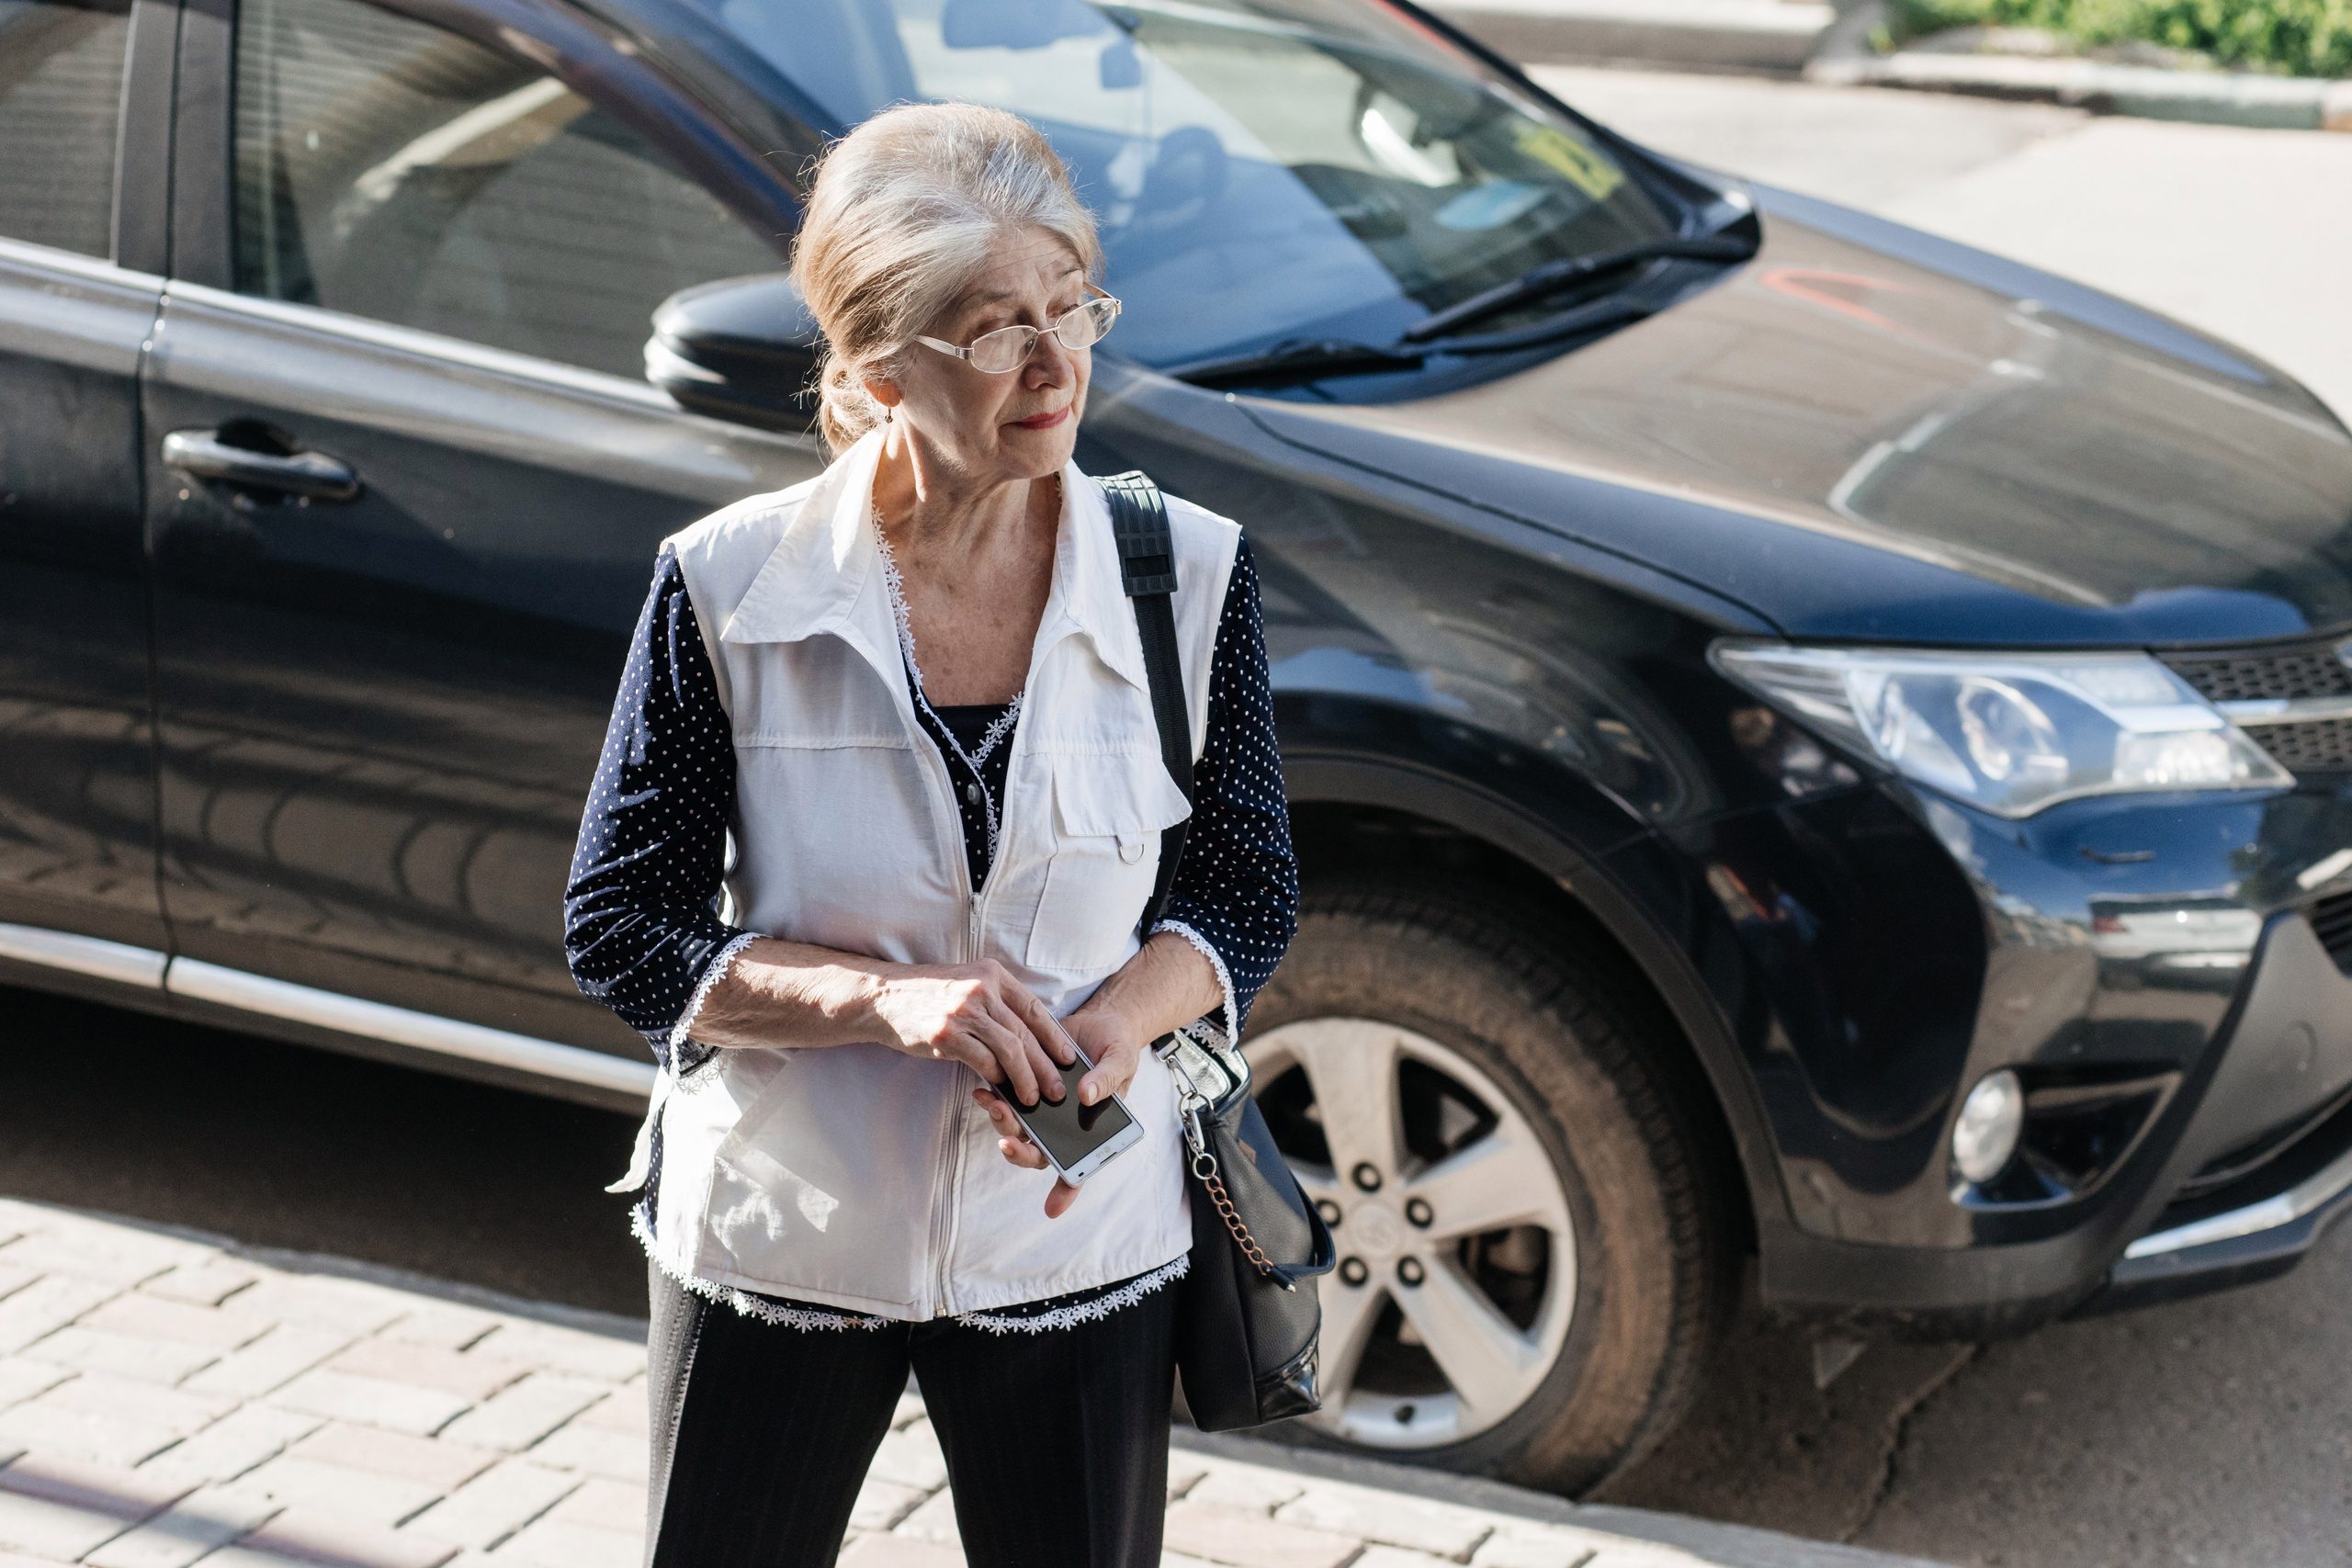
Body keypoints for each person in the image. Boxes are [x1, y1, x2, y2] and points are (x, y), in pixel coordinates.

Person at [562, 101, 1298, 1568]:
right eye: (993, 328)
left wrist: (1121, 1026)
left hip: (1078, 1241)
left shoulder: (1184, 576)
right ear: (875, 362)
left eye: (1070, 306)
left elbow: (1245, 882)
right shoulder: (729, 586)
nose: (1055, 363)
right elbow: (622, 928)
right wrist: (888, 1002)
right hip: (785, 1233)